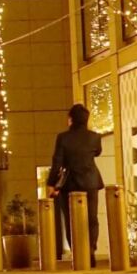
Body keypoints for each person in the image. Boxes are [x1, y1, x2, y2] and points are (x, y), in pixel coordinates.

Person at [46, 104, 104, 262]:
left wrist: (51, 183)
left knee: (71, 219)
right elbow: (97, 152)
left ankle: (78, 254)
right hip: (91, 181)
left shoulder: (63, 138)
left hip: (70, 183)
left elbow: (57, 162)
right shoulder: (95, 137)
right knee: (91, 218)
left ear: (70, 119)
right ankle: (91, 248)